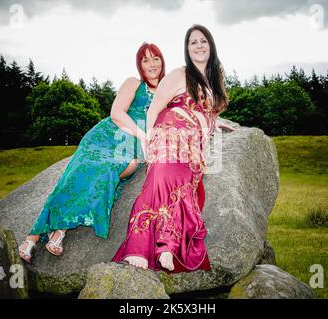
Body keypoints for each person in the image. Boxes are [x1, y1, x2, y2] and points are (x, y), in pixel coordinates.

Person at [18, 43, 166, 262]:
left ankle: (59, 228)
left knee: (113, 171)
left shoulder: (168, 90)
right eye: (145, 60)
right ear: (139, 65)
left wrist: (218, 122)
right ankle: (36, 235)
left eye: (155, 58)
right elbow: (117, 113)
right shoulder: (134, 83)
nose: (151, 64)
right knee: (79, 172)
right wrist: (143, 136)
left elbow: (188, 111)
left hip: (132, 147)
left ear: (162, 60)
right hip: (109, 135)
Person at [112, 25, 228, 273]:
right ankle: (142, 246)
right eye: (193, 42)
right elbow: (155, 108)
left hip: (194, 143)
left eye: (202, 41)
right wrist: (150, 141)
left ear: (211, 45)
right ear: (187, 49)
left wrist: (220, 125)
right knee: (162, 172)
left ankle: (167, 243)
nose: (198, 46)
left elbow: (210, 113)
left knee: (186, 179)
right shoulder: (179, 74)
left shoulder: (216, 78)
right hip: (169, 130)